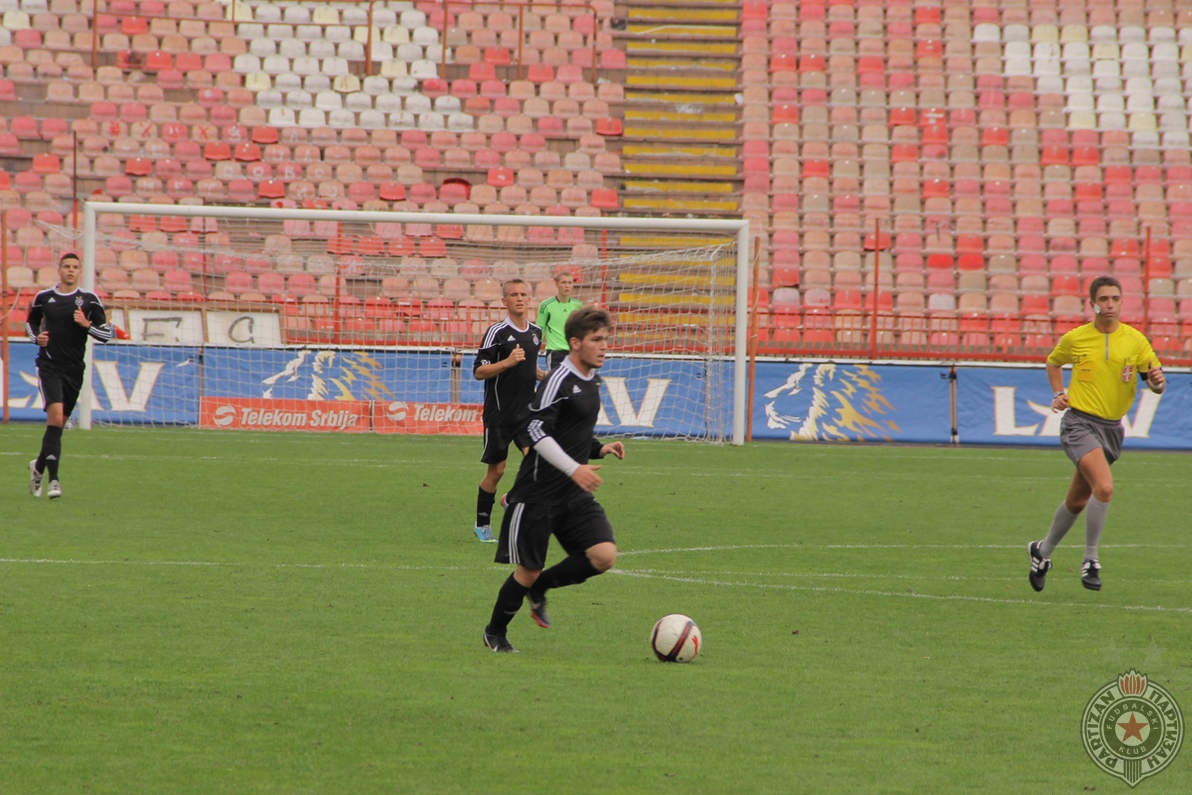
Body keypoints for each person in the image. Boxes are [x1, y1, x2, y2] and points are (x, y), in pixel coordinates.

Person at [482, 305, 624, 653]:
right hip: (539, 494)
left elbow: (571, 431)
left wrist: (599, 449)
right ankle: (494, 633)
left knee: (604, 555)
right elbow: (534, 429)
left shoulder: (592, 380)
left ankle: (541, 587)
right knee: (527, 570)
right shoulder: (558, 380)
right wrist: (574, 468)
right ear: (575, 343)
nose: (603, 346)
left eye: (605, 339)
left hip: (573, 494)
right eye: (596, 340)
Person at [1028, 275, 1165, 592]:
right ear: (1092, 304)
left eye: (1115, 298)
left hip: (1112, 429)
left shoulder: (1135, 341)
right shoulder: (1076, 338)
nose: (1109, 304)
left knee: (1077, 500)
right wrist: (1058, 393)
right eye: (1103, 299)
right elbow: (1053, 363)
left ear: (1122, 302)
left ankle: (1042, 551)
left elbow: (1154, 381)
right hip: (1079, 423)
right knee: (1103, 487)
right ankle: (1090, 559)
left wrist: (1158, 383)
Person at [26, 252, 114, 499]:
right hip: (49, 367)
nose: (71, 270)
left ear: (80, 271)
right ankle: (54, 481)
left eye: (75, 267)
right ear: (59, 269)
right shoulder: (44, 298)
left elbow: (106, 335)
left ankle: (38, 466)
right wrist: (37, 338)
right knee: (55, 418)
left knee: (58, 426)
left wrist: (87, 325)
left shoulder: (89, 300)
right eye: (67, 266)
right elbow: (31, 324)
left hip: (74, 371)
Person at [472, 278, 543, 542]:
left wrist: (543, 375)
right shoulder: (497, 332)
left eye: (523, 294)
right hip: (499, 414)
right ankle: (482, 524)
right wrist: (507, 362)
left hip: (527, 414)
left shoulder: (536, 332)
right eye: (514, 294)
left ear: (529, 298)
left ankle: (511, 499)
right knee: (497, 471)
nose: (519, 298)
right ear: (504, 301)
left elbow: (529, 367)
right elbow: (479, 371)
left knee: (538, 464)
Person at [535, 268, 583, 371]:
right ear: (557, 284)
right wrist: (534, 355)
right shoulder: (546, 305)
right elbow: (539, 331)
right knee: (556, 380)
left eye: (569, 283)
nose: (567, 286)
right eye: (563, 282)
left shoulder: (578, 306)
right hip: (555, 353)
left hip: (574, 352)